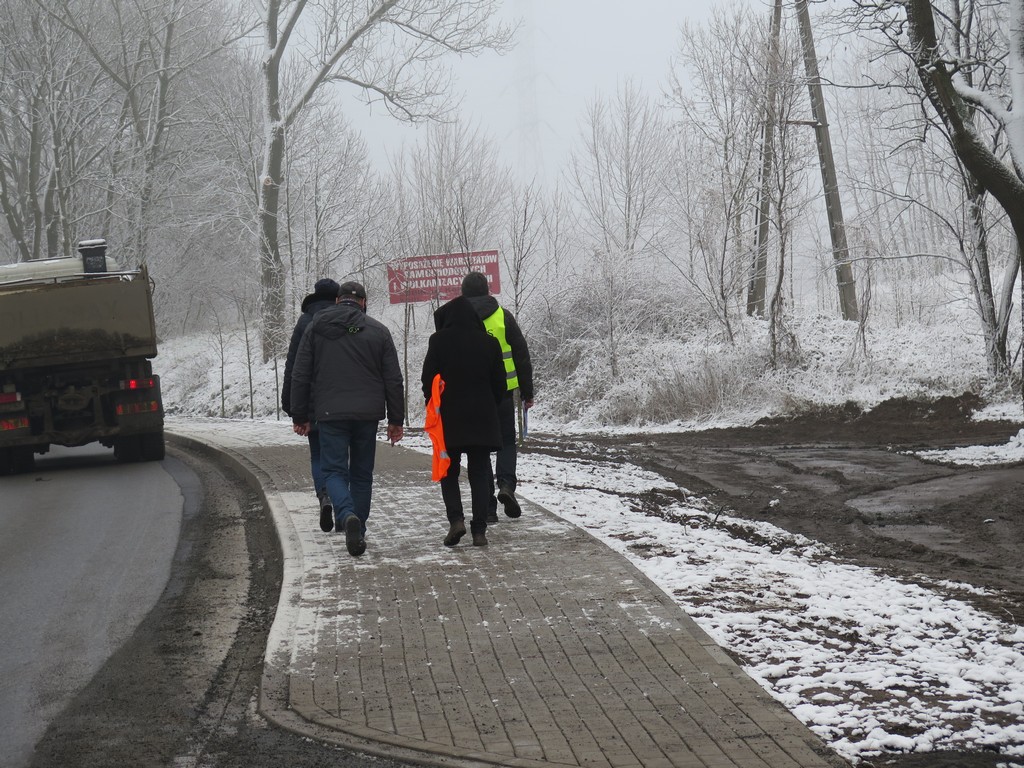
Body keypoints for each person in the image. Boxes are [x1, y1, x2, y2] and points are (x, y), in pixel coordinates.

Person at [290, 281, 404, 557]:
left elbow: (300, 373)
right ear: (363, 302)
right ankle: (359, 529)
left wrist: (300, 414)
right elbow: (393, 379)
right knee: (362, 475)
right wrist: (396, 420)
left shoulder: (316, 327)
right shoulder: (378, 331)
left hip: (330, 413)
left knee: (333, 471)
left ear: (338, 301)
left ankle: (347, 514)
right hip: (367, 415)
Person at [421, 295, 507, 547]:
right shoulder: (490, 344)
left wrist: (435, 402)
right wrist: (488, 402)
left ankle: (456, 521)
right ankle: (479, 530)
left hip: (449, 417)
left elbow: (428, 380)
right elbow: (500, 385)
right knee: (480, 471)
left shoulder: (438, 341)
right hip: (482, 416)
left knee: (449, 470)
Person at [460, 271, 535, 522]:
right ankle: (506, 485)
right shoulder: (503, 316)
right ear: (487, 290)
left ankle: (487, 508)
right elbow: (521, 355)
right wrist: (527, 391)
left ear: (463, 292)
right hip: (503, 391)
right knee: (506, 441)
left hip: (469, 395)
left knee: (478, 451)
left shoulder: (456, 318)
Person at [282, 277, 340, 533]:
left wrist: (294, 409)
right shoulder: (345, 320)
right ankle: (341, 503)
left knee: (317, 455)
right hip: (341, 401)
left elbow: (293, 368)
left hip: (313, 405)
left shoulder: (305, 322)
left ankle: (324, 496)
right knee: (340, 457)